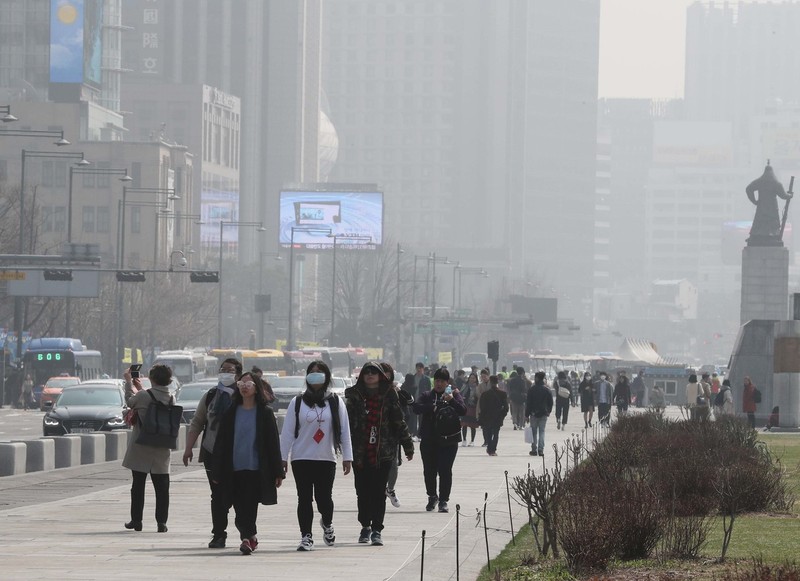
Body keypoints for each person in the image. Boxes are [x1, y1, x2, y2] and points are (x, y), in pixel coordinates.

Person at [280, 361, 352, 551]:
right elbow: (287, 432)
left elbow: (344, 431)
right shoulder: (297, 402)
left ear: (327, 377)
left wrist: (347, 456)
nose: (315, 375)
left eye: (320, 372)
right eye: (312, 372)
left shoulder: (335, 401)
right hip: (301, 457)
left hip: (326, 457)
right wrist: (282, 458)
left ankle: (327, 523)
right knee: (304, 498)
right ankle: (306, 536)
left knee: (324, 498)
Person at [211, 371, 284, 555]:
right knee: (236, 505)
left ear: (256, 388)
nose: (244, 386)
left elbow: (273, 443)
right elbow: (221, 442)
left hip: (255, 468)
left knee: (249, 505)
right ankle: (251, 537)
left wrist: (278, 471)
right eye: (241, 383)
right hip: (233, 468)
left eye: (249, 384)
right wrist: (216, 470)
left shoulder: (265, 413)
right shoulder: (231, 412)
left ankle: (246, 538)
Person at [345, 362, 414, 546]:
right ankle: (365, 526)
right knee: (362, 492)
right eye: (366, 372)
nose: (369, 375)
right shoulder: (352, 394)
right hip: (360, 451)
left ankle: (377, 529)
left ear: (381, 375)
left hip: (383, 452)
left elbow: (398, 421)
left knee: (378, 492)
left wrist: (407, 444)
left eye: (373, 372)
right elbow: (345, 424)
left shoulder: (389, 394)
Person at [183, 357, 243, 548]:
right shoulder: (210, 396)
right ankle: (219, 534)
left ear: (239, 374)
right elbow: (197, 422)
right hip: (213, 453)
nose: (226, 373)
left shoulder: (244, 396)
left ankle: (247, 532)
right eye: (223, 369)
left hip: (238, 454)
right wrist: (188, 448)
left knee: (240, 495)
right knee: (217, 495)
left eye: (230, 370)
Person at [122, 364, 174, 533]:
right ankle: (162, 522)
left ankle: (137, 520)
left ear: (152, 378)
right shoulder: (171, 397)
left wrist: (129, 383)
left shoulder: (143, 396)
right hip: (161, 446)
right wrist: (141, 389)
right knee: (162, 487)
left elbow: (131, 401)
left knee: (138, 485)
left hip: (141, 445)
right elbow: (153, 401)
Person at [412, 367, 467, 513]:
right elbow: (416, 408)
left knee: (445, 470)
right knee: (429, 471)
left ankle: (443, 500)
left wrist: (452, 401)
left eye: (442, 381)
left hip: (449, 441)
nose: (439, 384)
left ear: (447, 382)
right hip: (429, 440)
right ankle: (432, 496)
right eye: (436, 381)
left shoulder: (454, 394)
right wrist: (432, 407)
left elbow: (463, 410)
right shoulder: (427, 395)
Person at [382, 362, 412, 510]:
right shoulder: (368, 392)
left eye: (387, 373)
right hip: (372, 439)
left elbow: (409, 403)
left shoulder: (395, 392)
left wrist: (408, 445)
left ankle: (390, 489)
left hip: (391, 438)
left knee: (393, 466)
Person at [478, 375, 508, 456]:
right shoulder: (502, 394)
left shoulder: (485, 394)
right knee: (496, 434)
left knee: (488, 433)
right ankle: (493, 449)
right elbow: (506, 407)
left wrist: (482, 416)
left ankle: (489, 448)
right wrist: (502, 415)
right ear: (497, 382)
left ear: (490, 382)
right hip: (498, 417)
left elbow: (482, 407)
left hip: (487, 417)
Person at [525, 371, 553, 456]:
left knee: (533, 431)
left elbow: (528, 403)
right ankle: (541, 449)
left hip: (533, 414)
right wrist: (548, 411)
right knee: (542, 431)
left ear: (537, 378)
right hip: (544, 413)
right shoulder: (547, 389)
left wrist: (526, 415)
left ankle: (534, 449)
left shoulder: (532, 389)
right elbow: (550, 402)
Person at [411, 362, 431, 441]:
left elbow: (429, 390)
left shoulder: (426, 379)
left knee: (421, 418)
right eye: (417, 368)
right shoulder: (413, 378)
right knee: (413, 418)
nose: (418, 369)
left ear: (423, 369)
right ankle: (414, 433)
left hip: (422, 400)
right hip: (413, 400)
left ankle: (420, 434)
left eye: (420, 368)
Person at [459, 372, 480, 446]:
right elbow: (460, 394)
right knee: (464, 424)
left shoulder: (478, 387)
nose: (472, 379)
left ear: (476, 379)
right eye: (471, 378)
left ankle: (472, 441)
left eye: (474, 378)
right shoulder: (465, 386)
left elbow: (479, 396)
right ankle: (464, 440)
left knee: (472, 425)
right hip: (465, 407)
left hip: (474, 407)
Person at [474, 368, 491, 445]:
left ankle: (490, 439)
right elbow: (478, 394)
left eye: (485, 376)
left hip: (491, 407)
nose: (483, 378)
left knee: (490, 426)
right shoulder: (480, 385)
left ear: (488, 376)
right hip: (481, 407)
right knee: (484, 426)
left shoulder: (492, 384)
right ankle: (486, 441)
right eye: (482, 376)